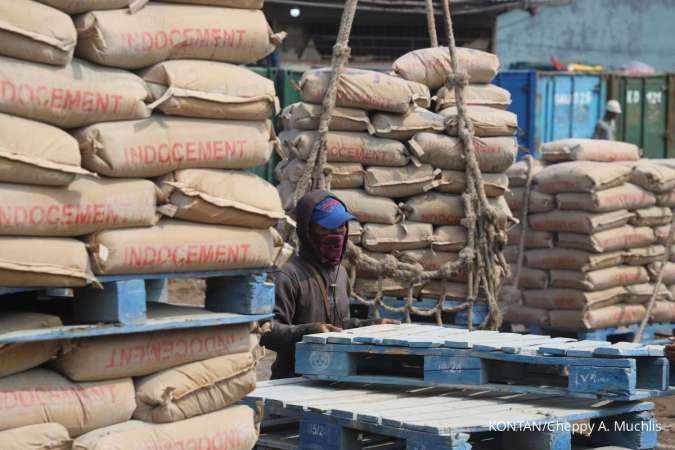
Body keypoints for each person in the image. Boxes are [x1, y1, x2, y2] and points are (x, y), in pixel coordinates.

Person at [261, 190, 398, 379]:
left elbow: (339, 326)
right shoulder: (288, 274)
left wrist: (372, 325)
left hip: (334, 378)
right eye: (328, 228)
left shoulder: (341, 273)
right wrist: (309, 332)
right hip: (293, 382)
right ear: (308, 231)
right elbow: (267, 331)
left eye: (342, 226)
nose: (337, 233)